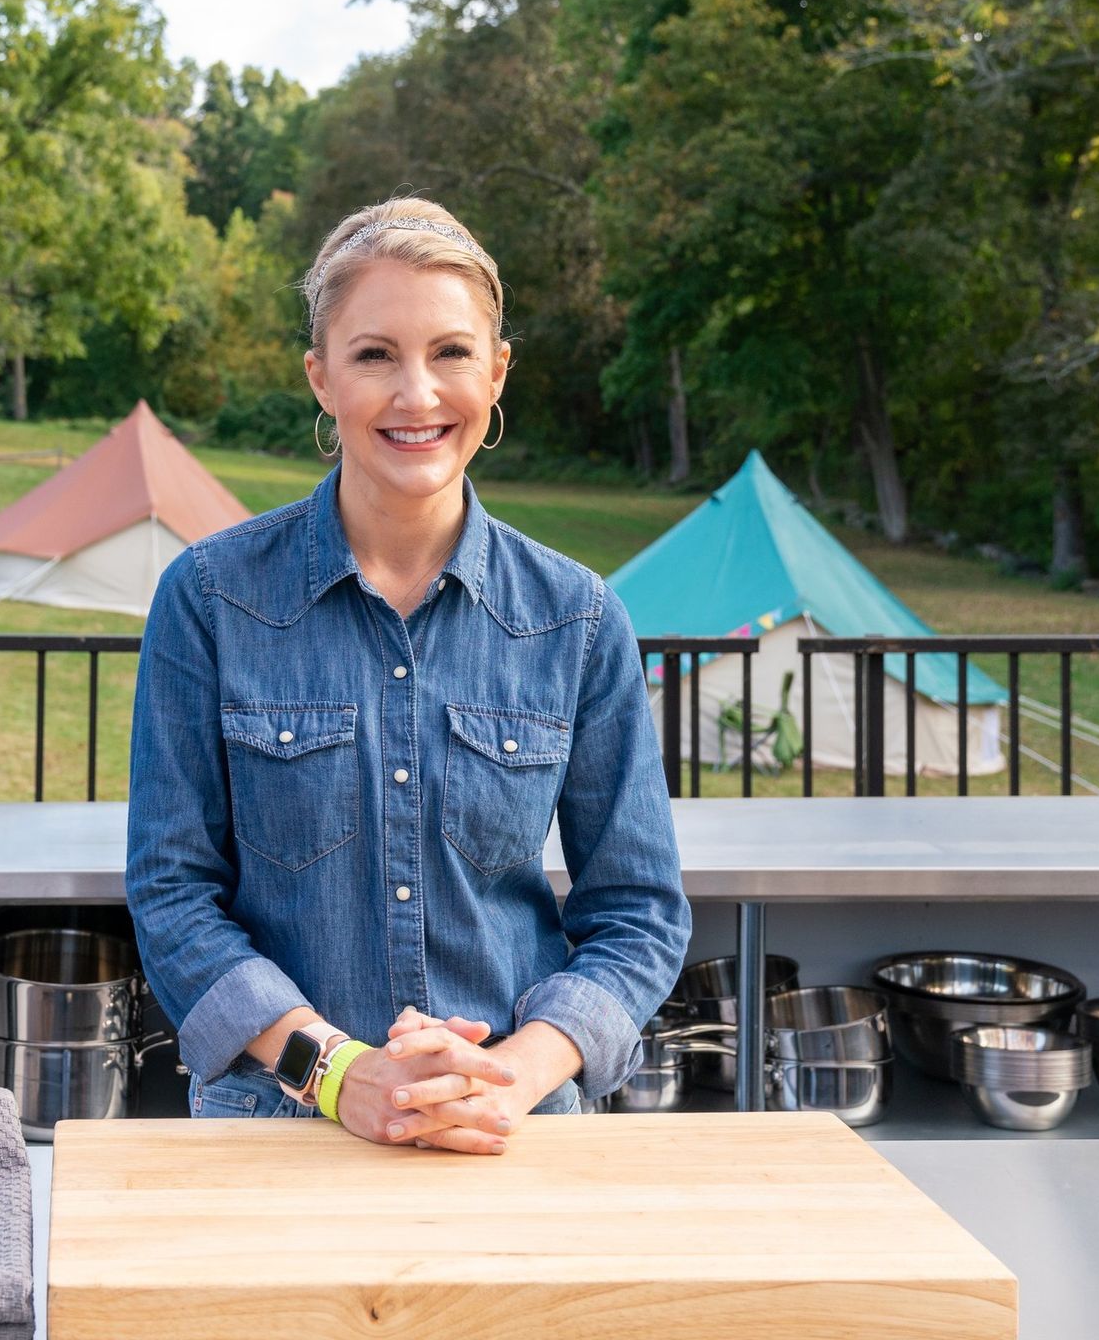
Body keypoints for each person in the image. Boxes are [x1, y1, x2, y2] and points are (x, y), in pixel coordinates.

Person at [126, 197, 687, 1155]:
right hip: (276, 1127)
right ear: (321, 378)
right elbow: (174, 896)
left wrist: (504, 1082)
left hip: (512, 1132)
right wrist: (340, 1076)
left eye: (452, 353)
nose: (416, 394)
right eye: (375, 354)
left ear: (498, 370)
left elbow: (637, 911)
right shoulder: (209, 600)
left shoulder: (579, 617)